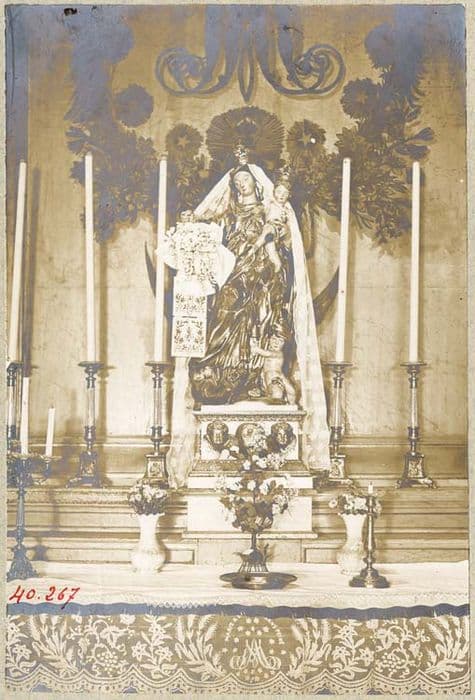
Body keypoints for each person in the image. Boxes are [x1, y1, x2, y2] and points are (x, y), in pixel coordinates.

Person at [166, 154, 330, 486]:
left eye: (246, 182)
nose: (242, 187)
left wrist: (273, 241)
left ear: (257, 185)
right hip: (231, 279)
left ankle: (256, 381)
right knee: (222, 321)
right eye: (237, 183)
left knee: (263, 323)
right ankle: (224, 378)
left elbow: (285, 246)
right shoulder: (227, 215)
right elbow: (208, 238)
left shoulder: (270, 212)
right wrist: (190, 225)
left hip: (263, 280)